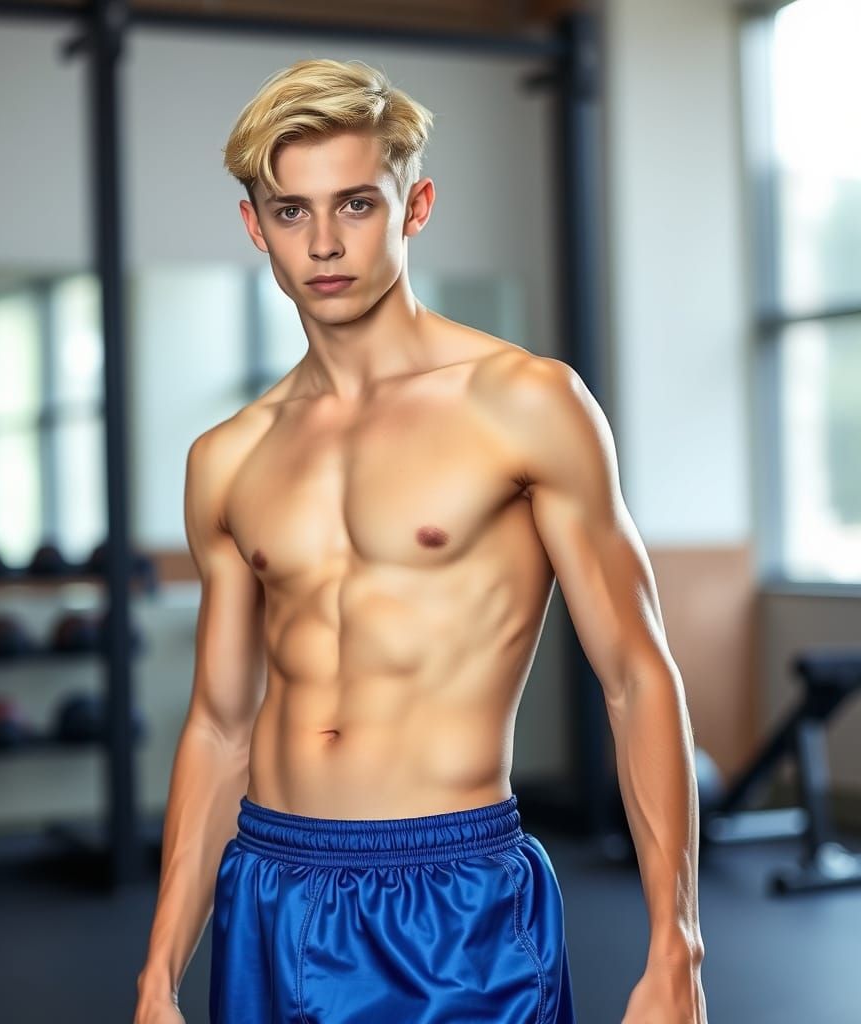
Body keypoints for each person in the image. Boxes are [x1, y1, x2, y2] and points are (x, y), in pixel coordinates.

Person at [135, 57, 707, 1024]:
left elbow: (637, 676)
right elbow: (221, 723)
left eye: (355, 204)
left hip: (454, 897)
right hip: (268, 887)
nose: (323, 243)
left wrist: (676, 946)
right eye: (290, 212)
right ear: (254, 227)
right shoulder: (227, 458)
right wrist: (157, 977)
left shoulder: (524, 403)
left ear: (415, 204)